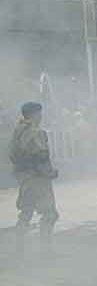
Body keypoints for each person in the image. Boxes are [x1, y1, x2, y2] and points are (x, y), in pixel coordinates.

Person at [9, 102, 59, 246]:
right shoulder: (36, 132)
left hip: (24, 179)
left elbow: (13, 155)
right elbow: (40, 157)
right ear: (34, 114)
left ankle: (19, 249)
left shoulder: (17, 131)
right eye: (39, 113)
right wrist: (50, 173)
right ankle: (46, 248)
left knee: (26, 213)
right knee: (50, 214)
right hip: (38, 179)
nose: (41, 116)